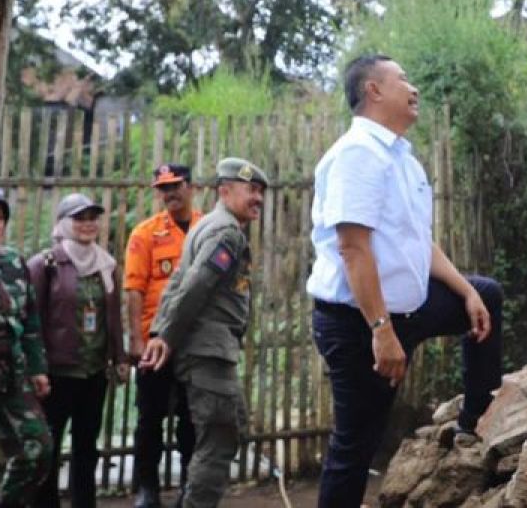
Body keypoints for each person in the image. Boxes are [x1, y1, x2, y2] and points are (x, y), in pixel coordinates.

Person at [307, 54, 503, 508]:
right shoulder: (358, 153)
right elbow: (353, 247)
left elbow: (418, 244)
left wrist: (467, 291)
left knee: (488, 297)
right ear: (373, 90)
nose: (414, 88)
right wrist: (382, 332)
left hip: (407, 311)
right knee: (355, 444)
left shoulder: (402, 159)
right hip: (359, 323)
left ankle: (476, 423)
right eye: (403, 80)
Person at [139, 158, 268, 508]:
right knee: (218, 441)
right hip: (208, 352)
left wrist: (159, 331)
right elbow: (195, 286)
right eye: (250, 190)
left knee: (225, 429)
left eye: (260, 192)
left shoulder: (207, 226)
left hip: (208, 349)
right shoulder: (225, 232)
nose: (257, 198)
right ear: (225, 191)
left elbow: (178, 281)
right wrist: (164, 335)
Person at [28, 194, 128, 508]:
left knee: (87, 445)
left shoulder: (106, 265)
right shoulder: (45, 264)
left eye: (92, 218)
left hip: (94, 371)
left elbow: (113, 317)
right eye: (79, 218)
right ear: (63, 222)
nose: (87, 224)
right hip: (57, 373)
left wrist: (120, 357)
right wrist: (36, 367)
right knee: (50, 446)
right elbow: (31, 320)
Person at [124, 165, 201, 508]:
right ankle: (147, 489)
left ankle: (189, 485)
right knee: (150, 418)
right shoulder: (145, 233)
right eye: (163, 188)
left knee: (192, 417)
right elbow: (134, 288)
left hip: (196, 341)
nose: (169, 194)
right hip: (154, 341)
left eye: (175, 186)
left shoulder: (208, 228)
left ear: (191, 186)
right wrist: (136, 342)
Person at [0, 187, 52, 507]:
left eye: (0, 217)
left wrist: (37, 369)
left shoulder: (14, 262)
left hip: (12, 371)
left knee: (38, 448)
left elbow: (31, 321)